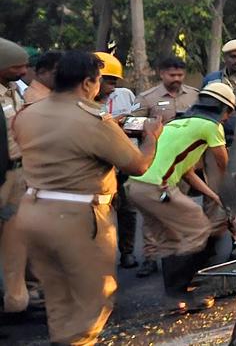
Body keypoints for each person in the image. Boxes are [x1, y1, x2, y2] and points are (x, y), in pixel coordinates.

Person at [11, 50, 161, 345]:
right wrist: (152, 137)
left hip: (32, 212)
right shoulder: (94, 120)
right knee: (93, 298)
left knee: (58, 296)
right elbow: (137, 165)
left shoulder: (28, 113)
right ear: (87, 83)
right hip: (76, 219)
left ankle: (62, 338)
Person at [127, 81, 234, 313]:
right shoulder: (211, 126)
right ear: (224, 110)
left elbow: (186, 171)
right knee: (199, 227)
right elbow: (223, 163)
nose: (226, 119)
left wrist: (215, 197)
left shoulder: (180, 123)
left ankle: (174, 299)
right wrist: (232, 192)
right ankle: (184, 288)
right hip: (157, 189)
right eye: (228, 114)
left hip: (136, 187)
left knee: (171, 240)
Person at [133, 55, 200, 277]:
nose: (177, 79)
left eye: (180, 75)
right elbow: (130, 124)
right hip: (156, 163)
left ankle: (178, 254)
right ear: (161, 74)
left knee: (179, 207)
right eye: (172, 75)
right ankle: (151, 256)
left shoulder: (194, 95)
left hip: (183, 163)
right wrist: (154, 127)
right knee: (153, 212)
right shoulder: (147, 98)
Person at [94, 52, 142, 270]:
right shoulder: (82, 102)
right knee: (99, 214)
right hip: (98, 167)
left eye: (114, 81)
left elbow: (134, 121)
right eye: (107, 81)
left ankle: (128, 252)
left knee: (128, 210)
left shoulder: (125, 95)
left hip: (124, 162)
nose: (111, 86)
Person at [0, 38, 34, 318]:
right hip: (2, 176)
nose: (24, 71)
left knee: (17, 241)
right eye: (17, 67)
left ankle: (16, 302)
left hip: (18, 173)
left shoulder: (14, 91)